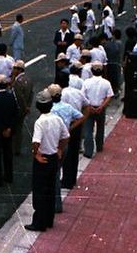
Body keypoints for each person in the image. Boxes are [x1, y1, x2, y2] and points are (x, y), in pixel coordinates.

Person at [25, 89, 69, 232]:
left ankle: (39, 222)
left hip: (43, 159)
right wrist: (60, 149)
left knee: (39, 192)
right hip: (53, 157)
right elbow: (65, 136)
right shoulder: (57, 119)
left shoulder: (40, 122)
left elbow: (36, 141)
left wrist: (36, 154)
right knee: (50, 190)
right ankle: (49, 220)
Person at [49, 84, 84, 212]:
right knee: (57, 170)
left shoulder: (51, 110)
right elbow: (80, 116)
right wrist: (70, 127)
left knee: (53, 174)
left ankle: (56, 204)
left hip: (54, 142)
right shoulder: (67, 107)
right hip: (65, 142)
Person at [0, 74, 18, 186]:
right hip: (9, 130)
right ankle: (9, 176)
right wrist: (9, 128)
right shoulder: (11, 97)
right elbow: (15, 114)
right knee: (8, 153)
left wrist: (2, 129)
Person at [81, 63, 114, 158]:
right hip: (100, 108)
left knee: (88, 130)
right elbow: (109, 96)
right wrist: (102, 106)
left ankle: (88, 151)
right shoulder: (106, 83)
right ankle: (99, 146)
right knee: (100, 128)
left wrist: (89, 106)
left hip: (89, 108)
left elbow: (82, 95)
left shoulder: (86, 82)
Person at [11, 60, 34, 156]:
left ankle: (14, 148)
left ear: (19, 69)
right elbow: (31, 94)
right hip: (25, 108)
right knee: (19, 128)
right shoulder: (29, 80)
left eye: (14, 68)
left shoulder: (17, 82)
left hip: (18, 109)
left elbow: (19, 97)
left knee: (15, 128)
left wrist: (24, 107)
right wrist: (28, 106)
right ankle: (17, 148)